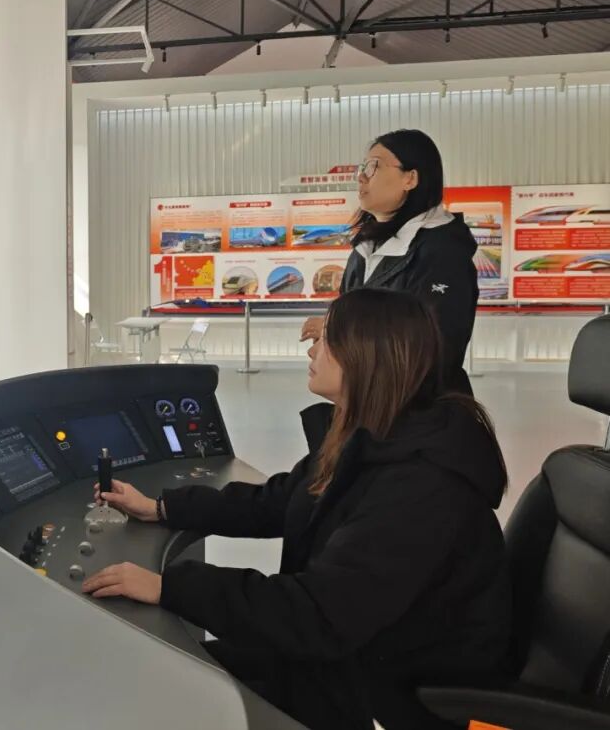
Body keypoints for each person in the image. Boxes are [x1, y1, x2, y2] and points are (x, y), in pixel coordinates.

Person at [82, 288, 511, 730]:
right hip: (342, 652)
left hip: (384, 689)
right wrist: (163, 507)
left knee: (167, 692)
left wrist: (171, 587)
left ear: (365, 356)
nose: (312, 349)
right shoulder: (375, 434)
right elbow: (282, 499)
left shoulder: (423, 485)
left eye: (326, 338)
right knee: (167, 672)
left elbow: (319, 615)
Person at [301, 130, 478, 394]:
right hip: (370, 401)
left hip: (419, 408)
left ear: (410, 178)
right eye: (362, 167)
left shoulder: (443, 253)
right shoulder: (364, 249)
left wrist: (335, 330)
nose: (361, 176)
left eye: (374, 166)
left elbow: (432, 348)